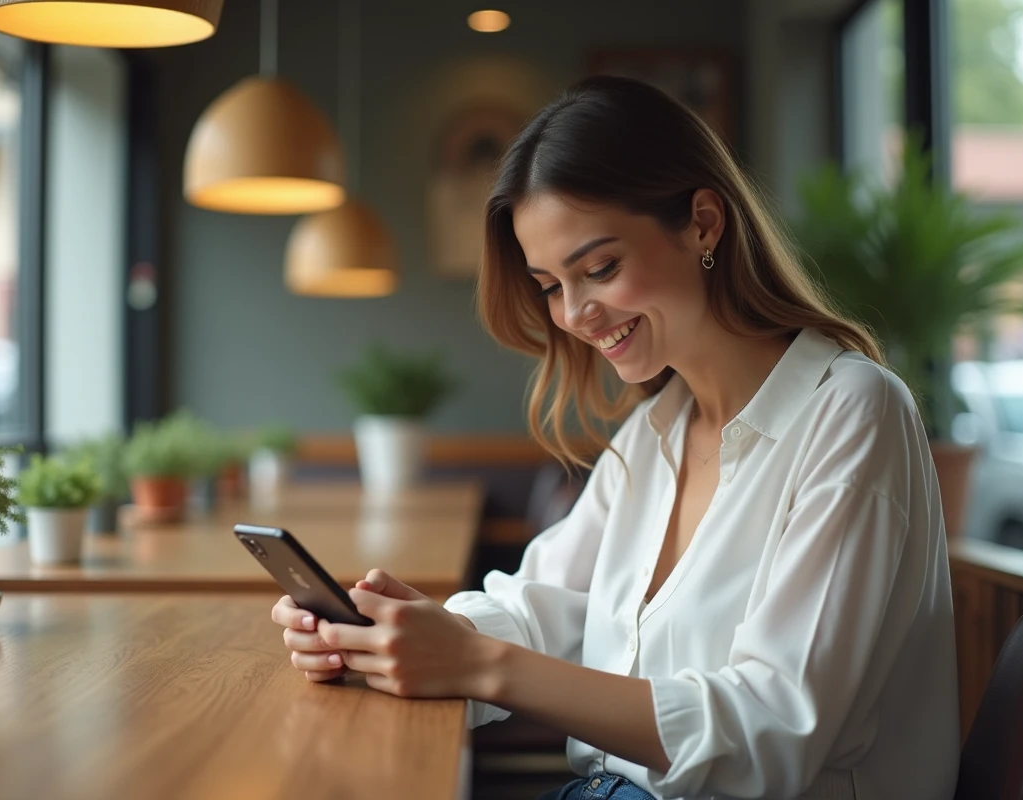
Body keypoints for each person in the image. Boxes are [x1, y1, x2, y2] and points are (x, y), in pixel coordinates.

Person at [271, 76, 960, 800]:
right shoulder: (653, 434)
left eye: (599, 269)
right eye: (549, 285)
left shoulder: (851, 412)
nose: (574, 314)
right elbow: (540, 606)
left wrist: (475, 664)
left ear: (703, 224)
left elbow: (771, 731)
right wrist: (384, 635)